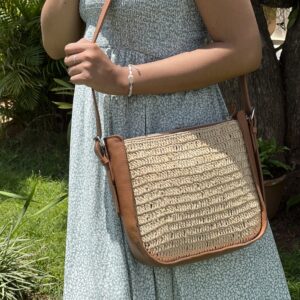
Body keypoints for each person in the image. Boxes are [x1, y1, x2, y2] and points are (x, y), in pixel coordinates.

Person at [41, 1, 291, 299]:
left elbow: (245, 49)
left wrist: (124, 78)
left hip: (175, 136)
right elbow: (56, 44)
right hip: (104, 133)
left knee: (192, 260)